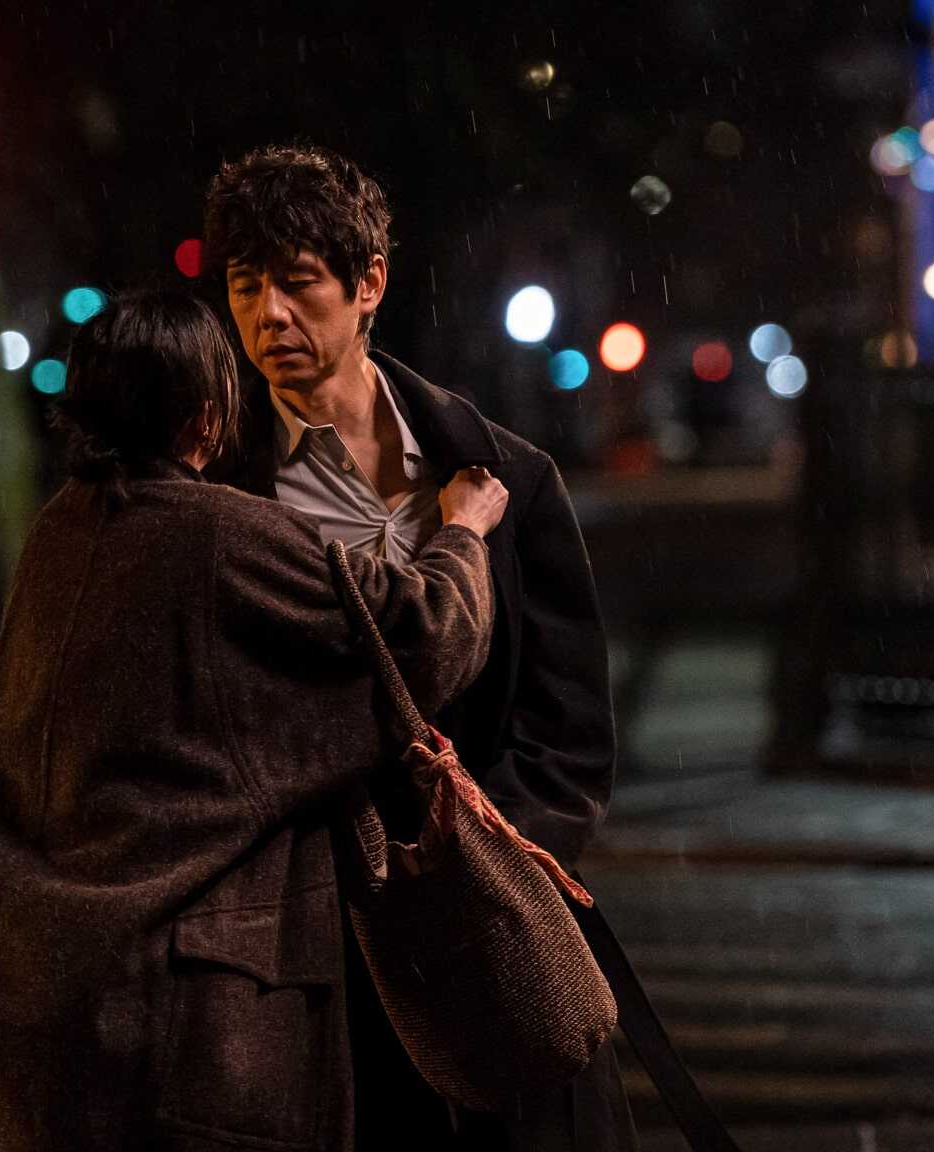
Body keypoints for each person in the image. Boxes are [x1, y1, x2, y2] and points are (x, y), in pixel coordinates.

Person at [0, 289, 511, 1151]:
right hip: (174, 1024)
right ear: (206, 418)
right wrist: (463, 532)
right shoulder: (227, 535)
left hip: (16, 995)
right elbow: (426, 639)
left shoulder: (59, 533)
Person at [204, 144, 633, 1150]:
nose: (268, 318)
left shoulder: (500, 478)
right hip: (305, 947)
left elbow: (568, 731)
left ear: (367, 286)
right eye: (243, 286)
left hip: (483, 935)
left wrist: (490, 872)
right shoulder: (217, 495)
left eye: (298, 284)